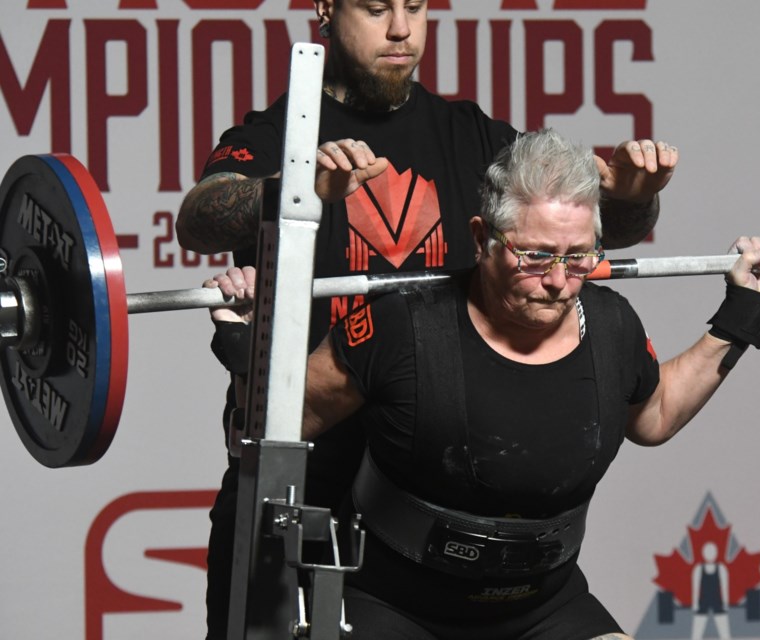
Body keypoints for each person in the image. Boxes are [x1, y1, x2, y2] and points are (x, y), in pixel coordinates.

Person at [178, 1, 679, 636]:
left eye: (415, 7)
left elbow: (587, 236)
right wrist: (296, 189)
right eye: (376, 7)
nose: (400, 29)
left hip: (429, 495)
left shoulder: (474, 138)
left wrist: (634, 198)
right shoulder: (276, 134)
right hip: (299, 476)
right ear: (326, 10)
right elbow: (199, 219)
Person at [206, 129, 760, 640]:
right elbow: (282, 421)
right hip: (391, 605)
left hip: (542, 607)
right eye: (535, 256)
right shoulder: (402, 327)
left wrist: (743, 315)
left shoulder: (611, 326)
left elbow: (654, 417)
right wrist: (248, 341)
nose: (559, 281)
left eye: (580, 257)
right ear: (482, 237)